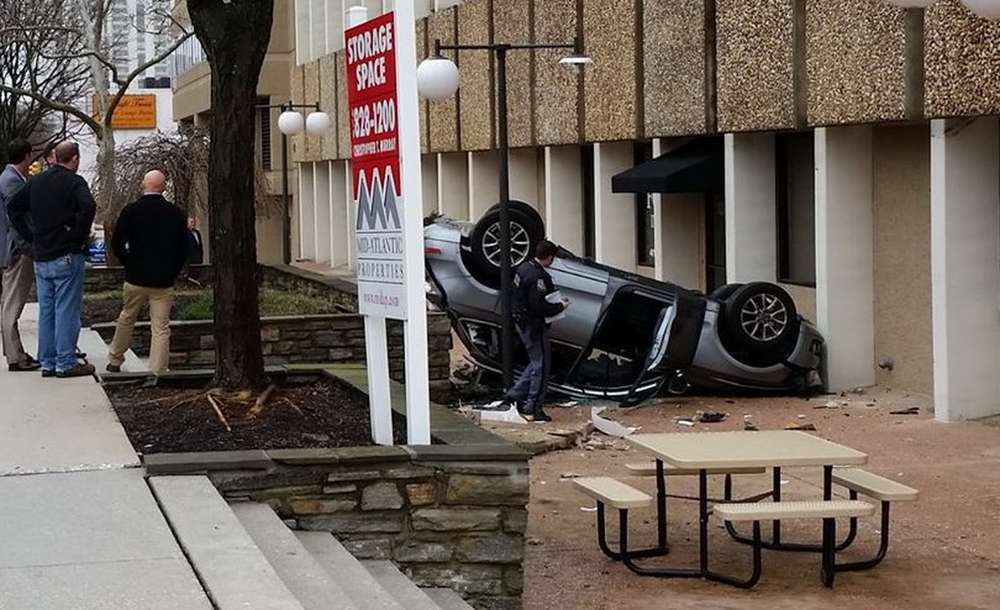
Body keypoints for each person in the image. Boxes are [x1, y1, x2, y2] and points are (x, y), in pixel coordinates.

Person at [7, 141, 96, 378]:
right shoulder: (75, 182)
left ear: (54, 158)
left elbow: (13, 207)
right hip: (66, 254)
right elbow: (88, 206)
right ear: (74, 159)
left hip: (41, 255)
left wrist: (30, 236)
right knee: (66, 307)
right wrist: (77, 235)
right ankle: (65, 361)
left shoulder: (36, 181)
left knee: (47, 310)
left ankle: (48, 360)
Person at [106, 170, 188, 374]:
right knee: (160, 327)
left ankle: (115, 359)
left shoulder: (131, 211)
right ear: (164, 187)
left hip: (136, 277)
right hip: (163, 280)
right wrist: (173, 271)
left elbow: (116, 242)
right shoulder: (175, 213)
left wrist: (128, 262)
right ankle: (158, 369)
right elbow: (183, 248)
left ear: (145, 184)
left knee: (127, 317)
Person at [500, 240, 566, 423]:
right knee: (542, 366)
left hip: (522, 322)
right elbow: (539, 306)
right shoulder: (538, 277)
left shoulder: (523, 268)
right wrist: (559, 306)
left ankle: (515, 395)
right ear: (549, 257)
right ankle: (533, 407)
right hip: (534, 325)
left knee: (536, 362)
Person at [0, 139, 40, 371]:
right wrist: (28, 246)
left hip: (12, 248)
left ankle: (15, 353)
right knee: (11, 305)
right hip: (17, 250)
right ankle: (16, 357)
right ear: (26, 155)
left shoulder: (9, 178)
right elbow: (18, 219)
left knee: (8, 302)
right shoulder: (12, 181)